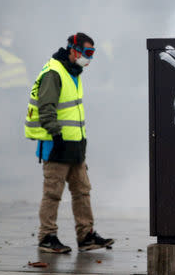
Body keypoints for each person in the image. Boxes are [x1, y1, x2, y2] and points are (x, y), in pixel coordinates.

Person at [25, 33, 114, 253]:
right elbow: (46, 110)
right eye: (86, 53)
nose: (88, 58)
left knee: (82, 191)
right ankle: (47, 237)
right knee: (53, 193)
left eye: (92, 54)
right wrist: (56, 136)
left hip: (75, 146)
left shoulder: (72, 72)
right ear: (73, 50)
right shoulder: (54, 73)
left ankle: (86, 236)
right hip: (57, 145)